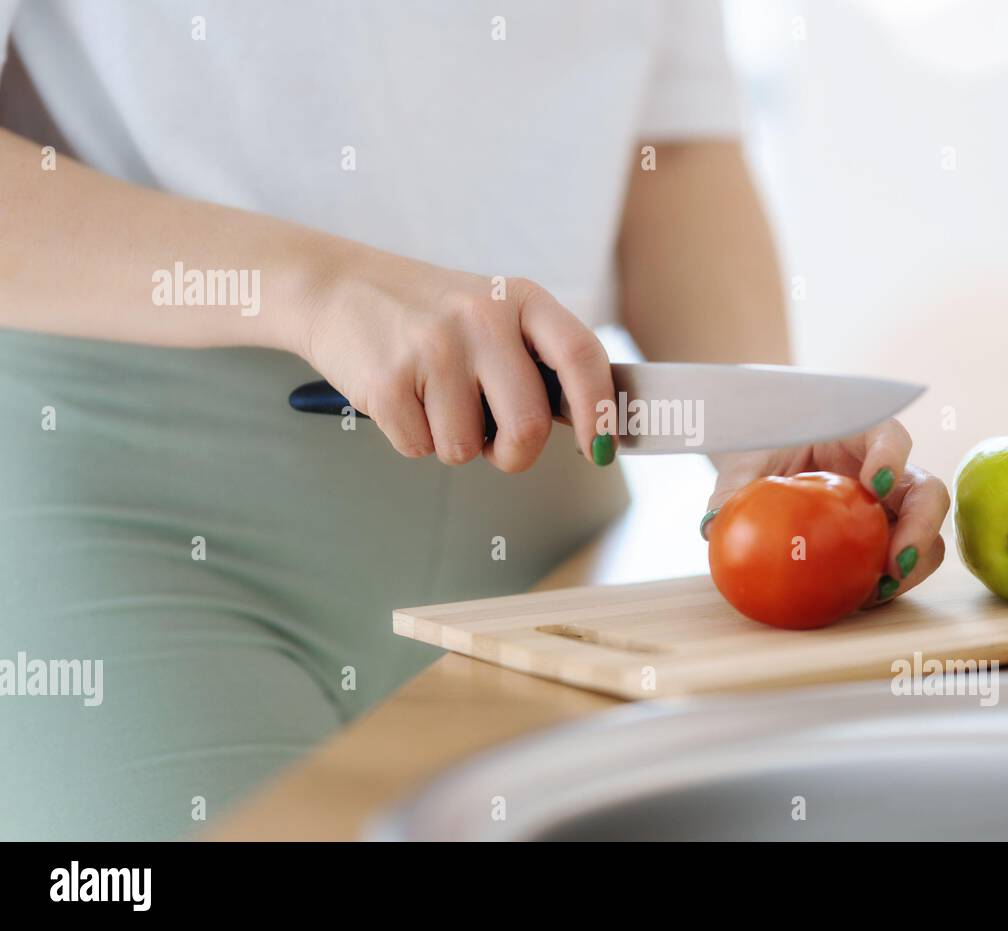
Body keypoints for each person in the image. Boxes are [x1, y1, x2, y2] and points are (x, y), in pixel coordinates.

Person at [0, 0, 949, 839]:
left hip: (554, 552)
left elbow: (673, 149)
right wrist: (320, 287)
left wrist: (760, 433)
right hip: (129, 521)